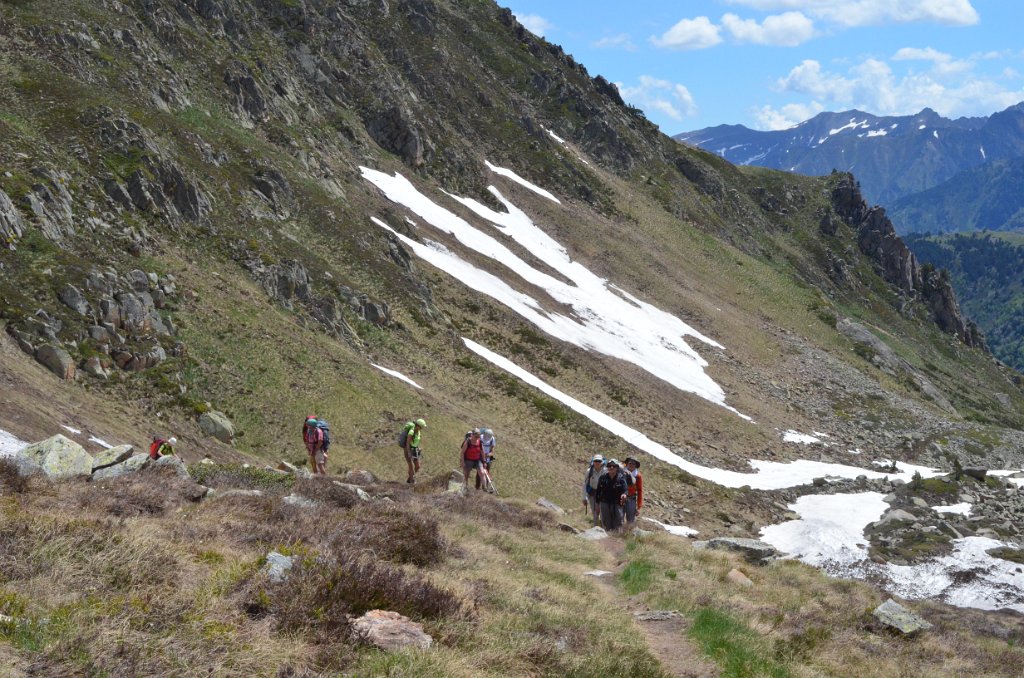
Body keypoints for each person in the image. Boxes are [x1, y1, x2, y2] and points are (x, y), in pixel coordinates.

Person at [595, 458, 628, 532]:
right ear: (607, 467)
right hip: (604, 503)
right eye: (609, 466)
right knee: (606, 523)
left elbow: (625, 490)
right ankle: (607, 536)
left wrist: (624, 495)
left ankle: (617, 536)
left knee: (618, 523)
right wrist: (597, 504)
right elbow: (598, 492)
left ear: (617, 468)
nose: (611, 467)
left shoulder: (621, 478)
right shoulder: (602, 477)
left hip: (617, 503)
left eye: (614, 466)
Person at [582, 454, 605, 526]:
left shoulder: (605, 471)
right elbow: (585, 484)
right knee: (595, 512)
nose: (597, 462)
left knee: (602, 512)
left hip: (602, 495)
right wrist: (584, 497)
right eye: (595, 461)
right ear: (593, 462)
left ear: (602, 462)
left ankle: (603, 528)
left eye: (599, 461)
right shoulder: (589, 471)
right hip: (592, 494)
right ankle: (595, 527)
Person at [403, 418, 426, 484]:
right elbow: (407, 443)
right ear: (418, 426)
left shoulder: (418, 431)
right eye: (421, 427)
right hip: (408, 449)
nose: (422, 428)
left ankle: (409, 479)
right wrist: (409, 453)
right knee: (411, 466)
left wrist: (418, 448)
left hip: (414, 449)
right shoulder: (411, 432)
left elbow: (415, 441)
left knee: (417, 467)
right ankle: (412, 483)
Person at [624, 457, 644, 524]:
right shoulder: (622, 472)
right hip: (621, 498)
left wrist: (639, 507)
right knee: (619, 518)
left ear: (636, 466)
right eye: (630, 463)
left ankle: (628, 530)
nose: (631, 465)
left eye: (633, 464)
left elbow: (640, 491)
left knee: (630, 520)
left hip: (631, 499)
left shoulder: (638, 476)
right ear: (627, 464)